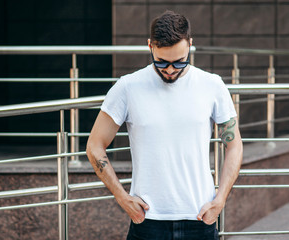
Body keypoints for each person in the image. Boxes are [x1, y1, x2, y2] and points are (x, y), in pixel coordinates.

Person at [86, 10, 243, 240]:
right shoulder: (127, 87)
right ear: (150, 46)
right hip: (148, 221)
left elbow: (234, 145)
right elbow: (95, 145)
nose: (170, 70)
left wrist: (221, 199)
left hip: (199, 219)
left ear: (190, 44)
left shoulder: (212, 85)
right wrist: (122, 197)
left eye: (179, 62)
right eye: (161, 62)